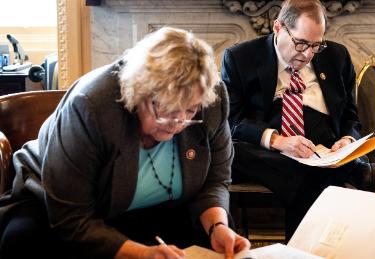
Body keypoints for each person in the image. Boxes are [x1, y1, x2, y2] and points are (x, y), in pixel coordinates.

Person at [0, 27, 250, 259]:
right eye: (167, 111)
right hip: (59, 203)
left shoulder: (213, 99)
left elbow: (215, 180)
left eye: (190, 111)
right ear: (138, 91)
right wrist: (142, 254)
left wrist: (217, 226)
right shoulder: (91, 105)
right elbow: (71, 218)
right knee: (23, 242)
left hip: (156, 208)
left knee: (215, 244)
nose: (179, 123)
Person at [221, 0, 365, 239]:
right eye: (300, 43)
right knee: (233, 152)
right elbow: (231, 122)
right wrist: (279, 141)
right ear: (278, 28)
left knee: (322, 168)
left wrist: (348, 141)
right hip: (268, 151)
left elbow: (351, 116)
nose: (308, 54)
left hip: (324, 148)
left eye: (316, 46)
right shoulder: (240, 58)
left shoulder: (337, 57)